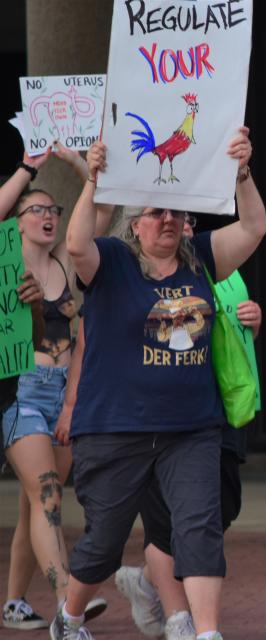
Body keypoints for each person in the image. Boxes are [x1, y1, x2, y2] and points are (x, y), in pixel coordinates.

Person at [53, 127, 266, 640]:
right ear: (136, 224)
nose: (167, 220)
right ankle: (70, 616)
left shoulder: (201, 259)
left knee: (198, 530)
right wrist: (94, 181)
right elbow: (76, 242)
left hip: (190, 429)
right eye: (155, 212)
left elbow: (255, 227)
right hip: (114, 429)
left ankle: (207, 632)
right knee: (104, 543)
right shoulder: (110, 261)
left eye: (175, 212)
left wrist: (241, 172)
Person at [1, 142, 111, 631]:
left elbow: (103, 210)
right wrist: (28, 169)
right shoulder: (5, 261)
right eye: (37, 210)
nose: (48, 216)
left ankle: (14, 602)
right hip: (22, 392)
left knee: (34, 505)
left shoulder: (68, 258)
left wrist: (79, 163)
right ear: (19, 220)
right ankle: (70, 603)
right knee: (48, 497)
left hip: (65, 392)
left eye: (54, 210)